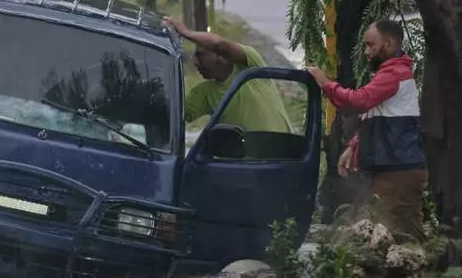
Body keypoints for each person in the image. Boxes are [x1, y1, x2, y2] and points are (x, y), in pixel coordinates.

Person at [306, 18, 427, 240]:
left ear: (389, 43)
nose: (366, 52)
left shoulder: (394, 74)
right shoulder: (389, 73)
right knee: (391, 233)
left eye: (371, 45)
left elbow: (359, 101)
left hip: (397, 172)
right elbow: (376, 117)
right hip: (392, 169)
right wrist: (354, 146)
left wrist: (326, 84)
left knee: (394, 235)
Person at [164, 16, 292, 134]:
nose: (195, 62)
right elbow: (173, 114)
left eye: (201, 55)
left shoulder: (250, 65)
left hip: (284, 148)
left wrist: (186, 32)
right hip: (249, 152)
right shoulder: (204, 93)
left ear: (220, 55)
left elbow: (219, 44)